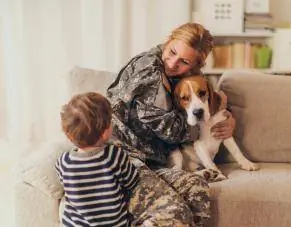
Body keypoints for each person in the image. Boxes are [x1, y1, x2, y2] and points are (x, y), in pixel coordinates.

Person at [107, 22, 236, 227]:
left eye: (184, 61)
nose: (173, 63)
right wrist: (209, 116)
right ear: (168, 40)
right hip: (125, 159)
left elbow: (206, 100)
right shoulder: (148, 71)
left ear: (195, 66)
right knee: (174, 212)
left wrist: (227, 117)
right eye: (172, 51)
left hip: (155, 162)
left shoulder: (184, 75)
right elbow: (172, 130)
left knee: (197, 190)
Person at [55, 92, 139, 226]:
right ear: (106, 132)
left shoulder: (64, 162)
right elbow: (132, 182)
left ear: (69, 136)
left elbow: (64, 183)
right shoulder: (113, 155)